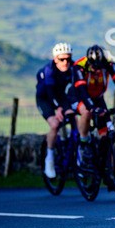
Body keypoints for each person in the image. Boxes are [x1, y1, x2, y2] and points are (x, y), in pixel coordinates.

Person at [71, 44, 115, 168]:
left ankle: (108, 174)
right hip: (78, 96)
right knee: (87, 112)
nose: (96, 71)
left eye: (98, 68)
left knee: (106, 137)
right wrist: (92, 108)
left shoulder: (109, 64)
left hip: (97, 98)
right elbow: (82, 91)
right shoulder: (79, 66)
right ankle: (83, 144)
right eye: (93, 68)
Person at [36, 42, 75, 178]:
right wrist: (58, 109)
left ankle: (76, 153)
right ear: (55, 59)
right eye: (61, 59)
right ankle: (50, 158)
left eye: (68, 59)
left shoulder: (72, 68)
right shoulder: (49, 70)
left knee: (74, 118)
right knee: (55, 124)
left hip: (60, 96)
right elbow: (50, 92)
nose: (65, 62)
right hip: (45, 99)